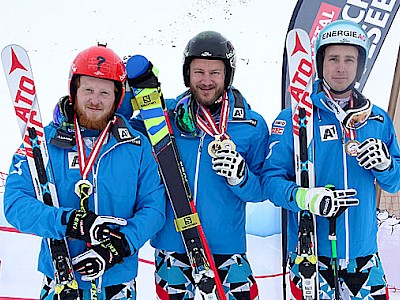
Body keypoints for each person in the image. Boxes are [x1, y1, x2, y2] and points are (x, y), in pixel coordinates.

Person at [4, 44, 166, 300]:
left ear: (117, 97)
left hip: (118, 282)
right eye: (88, 89)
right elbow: (16, 204)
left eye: (105, 92)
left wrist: (117, 246)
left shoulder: (137, 146)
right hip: (60, 279)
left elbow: (154, 209)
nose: (95, 99)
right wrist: (68, 222)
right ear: (74, 91)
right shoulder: (41, 142)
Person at [262, 19, 400, 299]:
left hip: (363, 255)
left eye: (350, 59)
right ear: (320, 62)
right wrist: (304, 198)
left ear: (359, 66)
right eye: (333, 58)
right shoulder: (293, 119)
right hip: (311, 255)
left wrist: (386, 166)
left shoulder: (377, 120)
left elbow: (395, 182)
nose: (341, 67)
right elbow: (270, 181)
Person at [135, 30, 269, 300]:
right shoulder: (163, 117)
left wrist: (240, 177)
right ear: (188, 74)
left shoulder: (251, 125)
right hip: (172, 245)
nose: (206, 81)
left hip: (226, 246)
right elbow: (119, 128)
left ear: (227, 75)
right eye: (198, 72)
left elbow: (261, 190)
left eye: (215, 73)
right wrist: (136, 88)